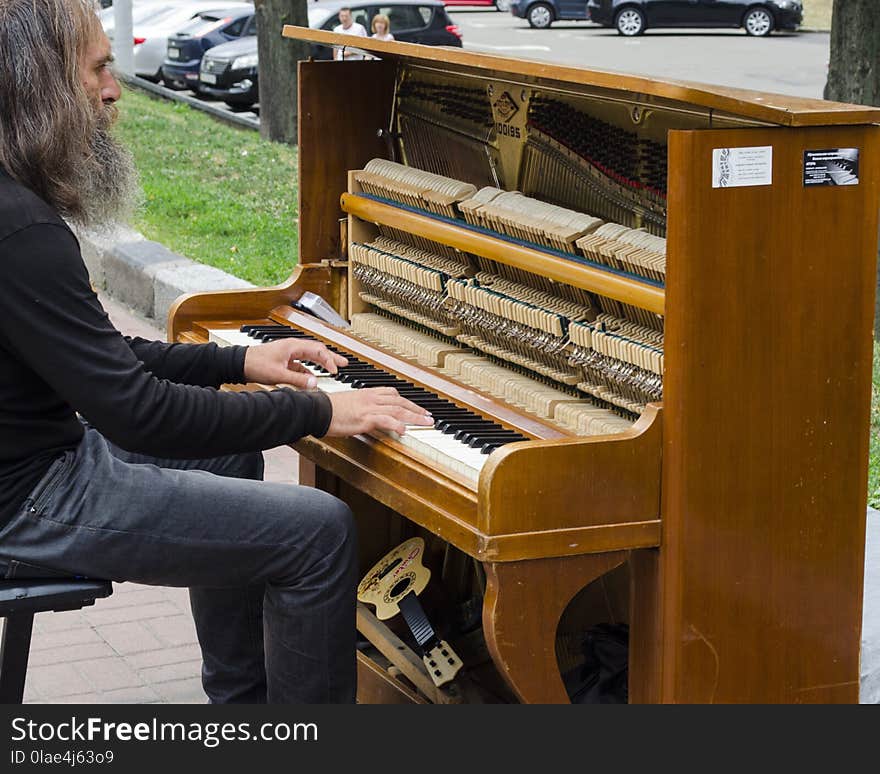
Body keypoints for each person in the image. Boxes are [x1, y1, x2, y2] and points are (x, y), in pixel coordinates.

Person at [0, 0, 434, 704]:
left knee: (224, 455)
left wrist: (236, 363)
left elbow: (102, 354)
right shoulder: (22, 232)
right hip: (28, 498)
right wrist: (315, 411)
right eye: (99, 68)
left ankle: (240, 706)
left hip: (32, 460)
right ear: (43, 84)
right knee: (318, 532)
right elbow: (142, 417)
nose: (115, 89)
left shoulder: (13, 207)